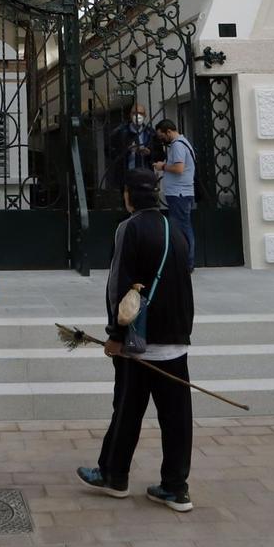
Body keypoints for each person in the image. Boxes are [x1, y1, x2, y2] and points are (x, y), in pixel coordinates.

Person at [75, 167, 195, 510]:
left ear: (128, 195)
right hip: (176, 338)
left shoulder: (129, 228)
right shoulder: (175, 227)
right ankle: (176, 486)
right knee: (177, 418)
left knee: (127, 409)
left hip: (139, 342)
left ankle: (113, 474)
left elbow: (119, 285)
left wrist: (115, 334)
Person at [154, 118, 197, 272]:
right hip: (180, 193)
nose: (161, 139)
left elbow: (179, 169)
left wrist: (162, 166)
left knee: (182, 228)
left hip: (180, 194)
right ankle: (185, 261)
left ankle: (187, 263)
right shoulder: (180, 143)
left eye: (162, 136)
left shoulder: (178, 145)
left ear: (169, 132)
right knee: (182, 227)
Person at [104, 103, 159, 193]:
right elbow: (109, 152)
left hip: (145, 175)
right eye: (134, 113)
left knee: (144, 204)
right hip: (126, 175)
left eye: (140, 113)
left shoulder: (150, 133)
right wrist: (126, 151)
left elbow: (160, 154)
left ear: (145, 115)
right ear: (130, 115)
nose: (137, 116)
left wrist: (149, 153)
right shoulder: (120, 132)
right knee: (128, 203)